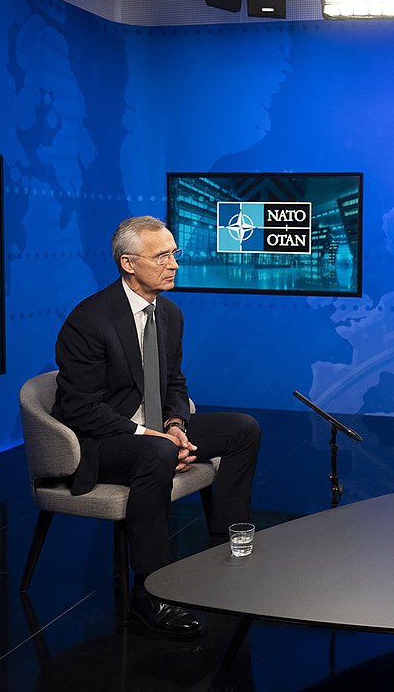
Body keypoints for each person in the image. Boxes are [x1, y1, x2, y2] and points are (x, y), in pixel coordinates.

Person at [53, 215, 262, 638]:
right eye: (162, 256)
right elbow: (79, 408)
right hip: (104, 441)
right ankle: (151, 592)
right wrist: (153, 437)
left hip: (155, 432)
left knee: (243, 428)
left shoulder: (169, 314)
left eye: (175, 254)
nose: (174, 265)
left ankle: (222, 543)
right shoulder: (89, 319)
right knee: (160, 451)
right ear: (129, 263)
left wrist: (176, 424)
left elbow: (173, 383)